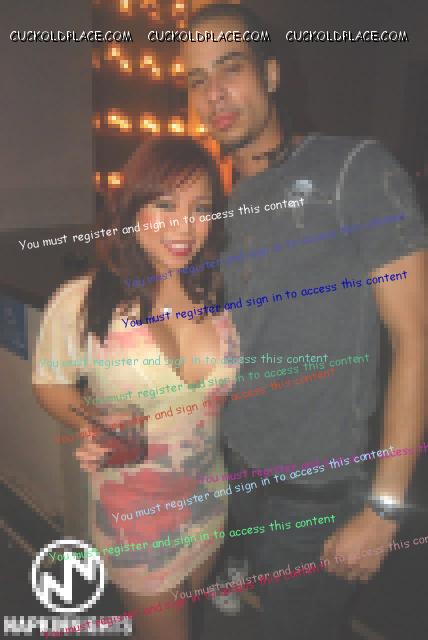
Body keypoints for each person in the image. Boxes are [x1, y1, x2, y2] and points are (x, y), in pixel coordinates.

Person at [182, 4, 427, 639]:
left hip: (316, 487)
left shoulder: (354, 170)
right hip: (231, 468)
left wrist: (384, 508)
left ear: (270, 73)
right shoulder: (214, 206)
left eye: (229, 68)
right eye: (197, 80)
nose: (214, 93)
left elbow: (416, 340)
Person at [32, 137, 240, 640]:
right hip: (135, 517)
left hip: (209, 500)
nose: (184, 226)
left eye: (200, 208)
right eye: (165, 204)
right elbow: (49, 383)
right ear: (131, 209)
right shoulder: (86, 300)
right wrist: (91, 423)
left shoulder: (215, 291)